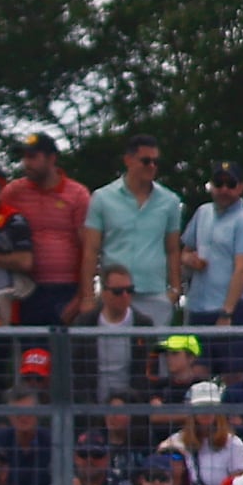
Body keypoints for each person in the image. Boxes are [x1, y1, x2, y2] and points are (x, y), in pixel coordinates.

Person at [0, 135, 93, 341]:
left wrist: (82, 296)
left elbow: (89, 249)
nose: (26, 163)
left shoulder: (77, 194)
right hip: (26, 288)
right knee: (30, 354)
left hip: (65, 289)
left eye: (32, 157)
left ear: (51, 158)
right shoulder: (14, 191)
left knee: (63, 355)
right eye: (24, 158)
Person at [84, 136, 186, 337]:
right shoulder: (102, 198)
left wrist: (174, 290)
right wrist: (87, 296)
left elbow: (173, 249)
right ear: (128, 160)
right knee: (113, 353)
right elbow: (91, 249)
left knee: (154, 358)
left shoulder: (170, 201)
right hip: (114, 293)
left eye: (156, 162)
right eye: (146, 161)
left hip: (154, 292)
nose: (152, 166)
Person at [181, 163, 243, 379]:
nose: (224, 189)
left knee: (234, 376)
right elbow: (184, 251)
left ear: (240, 188)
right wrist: (189, 259)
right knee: (197, 375)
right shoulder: (202, 213)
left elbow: (242, 269)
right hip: (199, 307)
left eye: (231, 184)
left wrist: (226, 312)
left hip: (233, 310)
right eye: (218, 183)